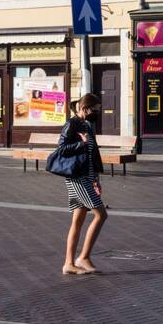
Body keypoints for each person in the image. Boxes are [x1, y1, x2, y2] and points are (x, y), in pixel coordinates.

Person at [56, 93, 108, 275]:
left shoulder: (86, 125)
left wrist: (96, 179)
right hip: (76, 177)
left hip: (86, 177)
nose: (97, 114)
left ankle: (68, 264)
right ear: (86, 108)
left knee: (77, 221)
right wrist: (81, 144)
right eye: (96, 110)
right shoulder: (73, 123)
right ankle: (83, 257)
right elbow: (61, 148)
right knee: (101, 214)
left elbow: (92, 156)